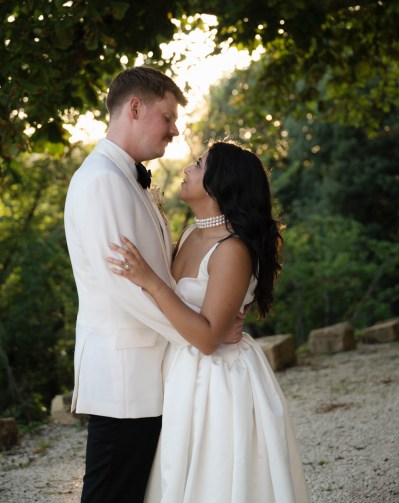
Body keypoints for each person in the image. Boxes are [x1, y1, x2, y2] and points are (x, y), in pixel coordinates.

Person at [107, 141, 310, 503]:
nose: (186, 168)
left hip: (220, 382)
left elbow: (207, 339)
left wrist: (150, 280)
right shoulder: (189, 234)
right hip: (181, 370)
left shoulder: (232, 249)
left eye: (198, 164)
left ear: (221, 183)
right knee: (176, 473)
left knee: (214, 478)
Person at [65, 66, 211, 503]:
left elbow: (156, 273)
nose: (175, 129)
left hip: (144, 373)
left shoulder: (128, 179)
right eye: (167, 117)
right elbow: (124, 287)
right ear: (134, 108)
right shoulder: (102, 182)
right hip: (123, 377)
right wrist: (194, 335)